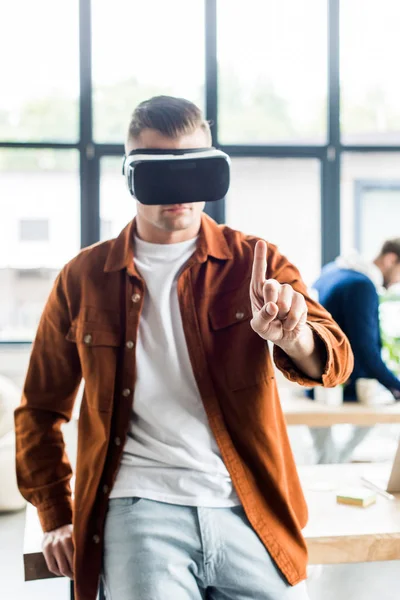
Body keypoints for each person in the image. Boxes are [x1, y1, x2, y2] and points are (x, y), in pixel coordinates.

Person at [15, 96, 353, 600]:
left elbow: (335, 360)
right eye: (159, 172)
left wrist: (293, 335)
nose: (179, 191)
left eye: (194, 168)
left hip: (248, 504)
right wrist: (55, 516)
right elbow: (39, 410)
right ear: (131, 174)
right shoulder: (83, 279)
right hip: (136, 505)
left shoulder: (255, 263)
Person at [310, 242, 400, 464]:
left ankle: (337, 463)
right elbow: (365, 348)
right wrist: (397, 386)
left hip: (313, 380)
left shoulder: (333, 271)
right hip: (338, 385)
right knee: (330, 458)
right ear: (390, 259)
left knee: (325, 454)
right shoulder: (361, 285)